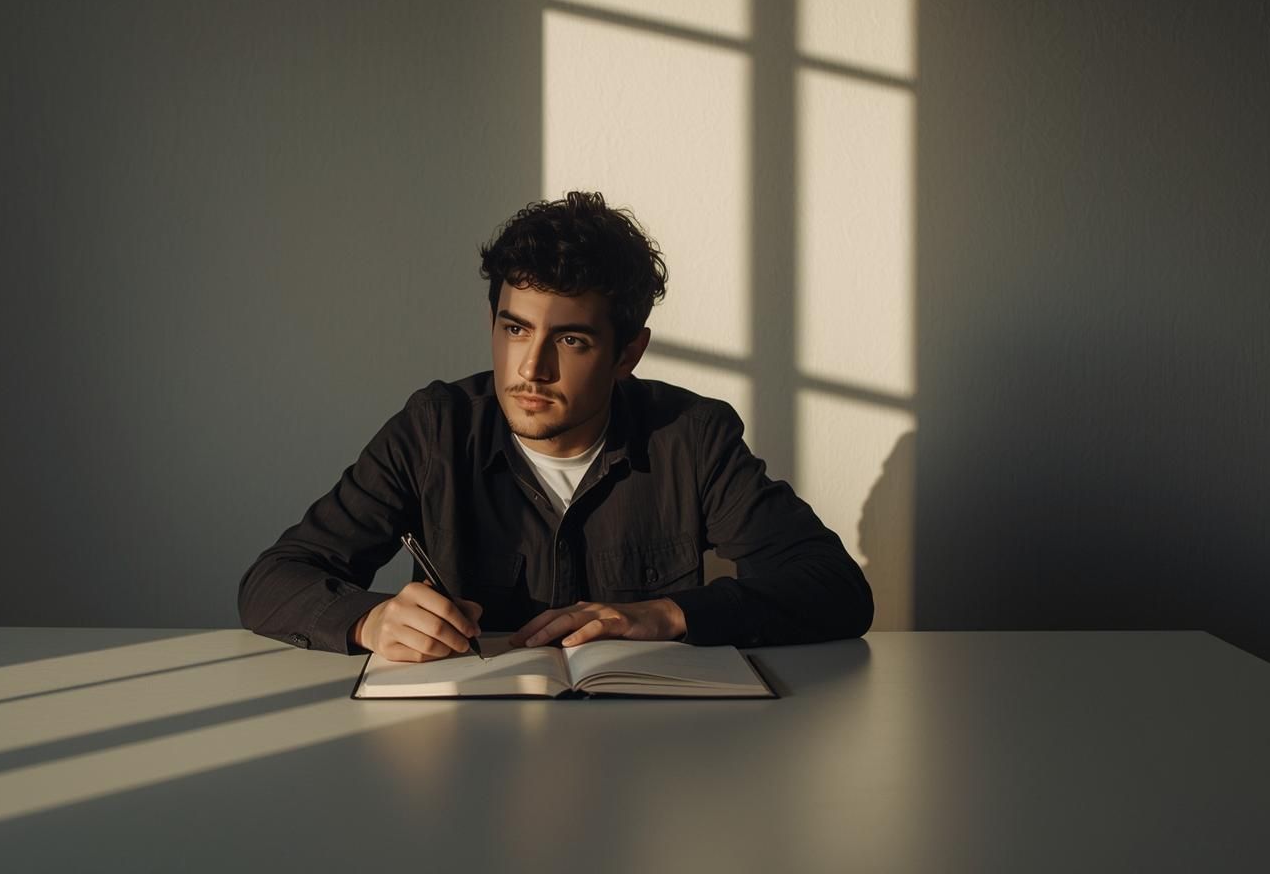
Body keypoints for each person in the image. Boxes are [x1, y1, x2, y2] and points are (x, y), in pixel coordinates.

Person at [238, 191, 873, 662]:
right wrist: (370, 620)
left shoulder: (691, 438)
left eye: (570, 340)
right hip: (466, 756)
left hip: (650, 755)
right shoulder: (435, 429)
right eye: (515, 329)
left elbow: (836, 588)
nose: (532, 368)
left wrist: (670, 614)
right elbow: (273, 579)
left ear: (628, 354)